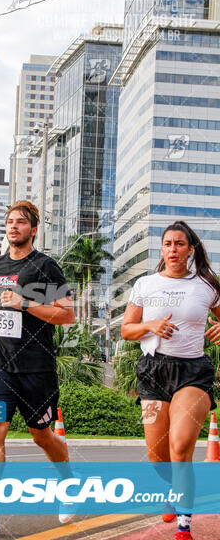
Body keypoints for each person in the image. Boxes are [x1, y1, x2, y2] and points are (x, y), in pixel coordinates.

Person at [0, 200, 75, 536]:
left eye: (21, 222)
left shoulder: (46, 267)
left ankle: (69, 484)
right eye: (10, 221)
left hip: (36, 367)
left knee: (42, 435)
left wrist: (25, 303)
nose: (13, 227)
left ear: (34, 229)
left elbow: (67, 315)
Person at [121, 221, 220, 540]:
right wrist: (149, 325)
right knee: (157, 455)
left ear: (191, 249)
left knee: (180, 446)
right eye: (168, 244)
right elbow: (126, 330)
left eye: (180, 244)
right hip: (153, 373)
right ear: (161, 249)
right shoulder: (145, 285)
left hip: (193, 372)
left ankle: (184, 526)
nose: (173, 249)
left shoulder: (207, 285)